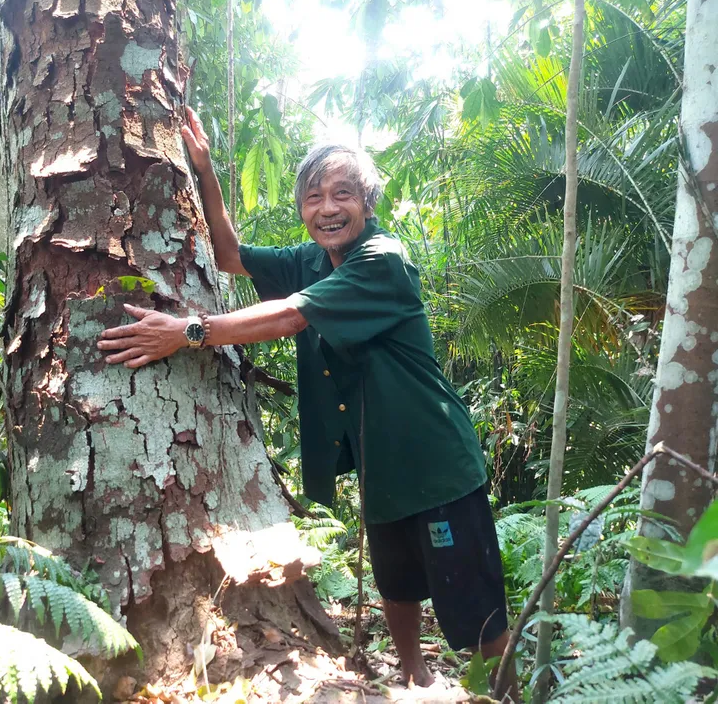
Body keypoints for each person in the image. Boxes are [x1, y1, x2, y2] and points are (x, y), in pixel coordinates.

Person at [98, 108, 518, 698]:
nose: (327, 207)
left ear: (366, 204)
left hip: (437, 463)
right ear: (303, 208)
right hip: (381, 464)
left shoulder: (382, 261)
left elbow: (291, 315)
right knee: (397, 583)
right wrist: (206, 172)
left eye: (343, 194)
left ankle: (510, 694)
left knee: (476, 612)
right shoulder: (311, 259)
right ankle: (415, 680)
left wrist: (187, 331)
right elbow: (230, 256)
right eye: (314, 196)